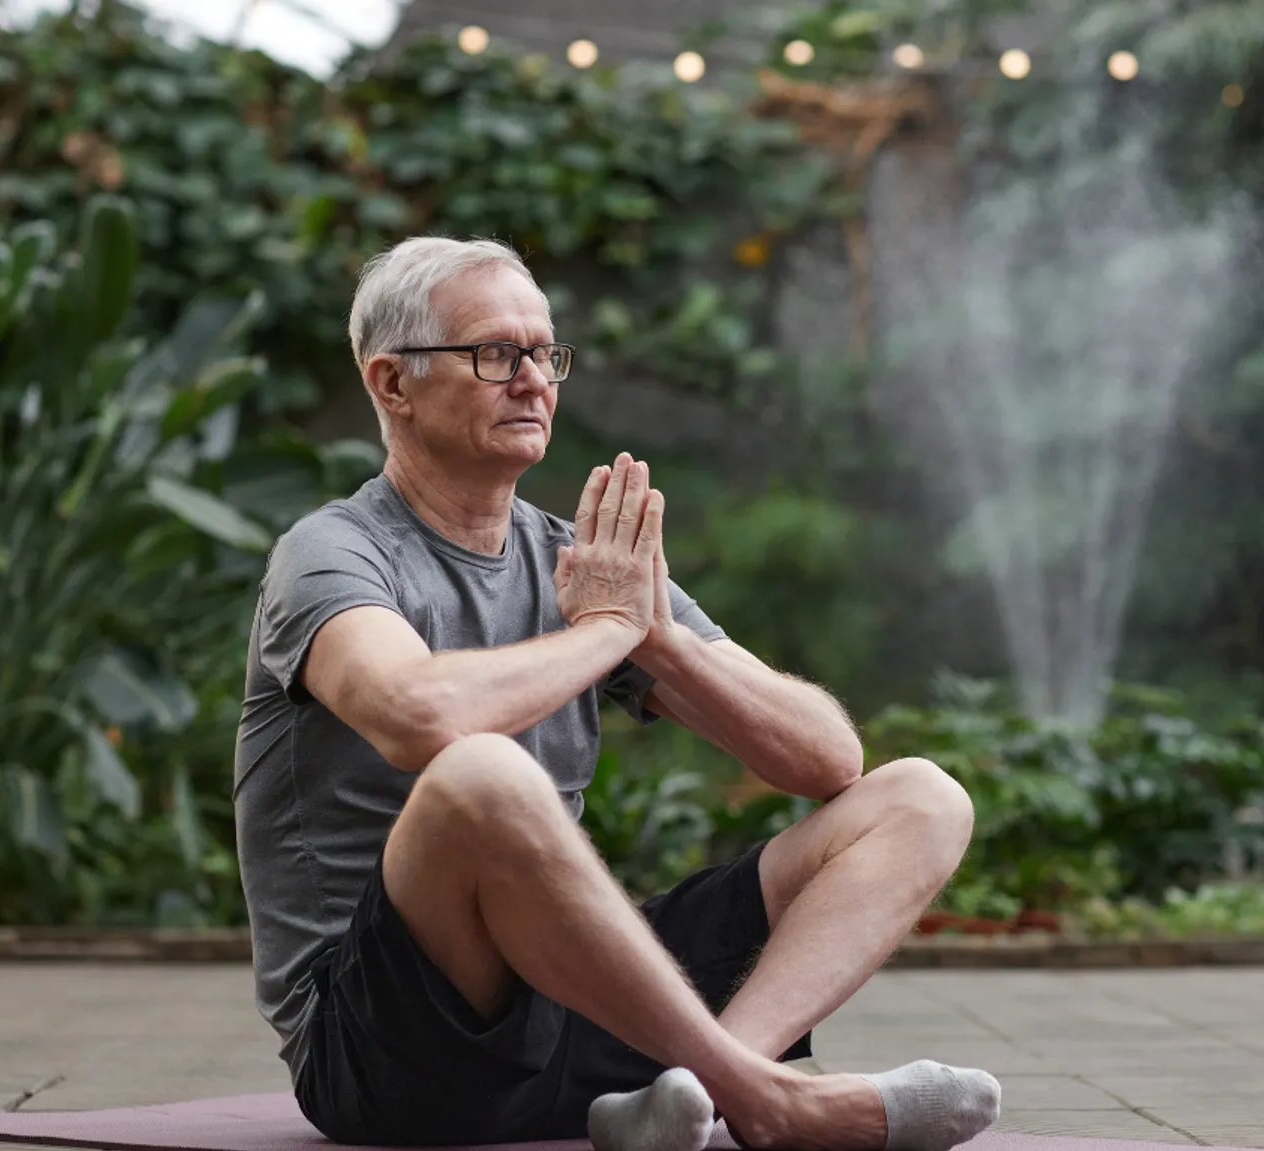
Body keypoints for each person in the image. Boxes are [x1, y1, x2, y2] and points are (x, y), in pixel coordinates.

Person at [233, 236, 1001, 1151]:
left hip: (572, 1017)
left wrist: (662, 637)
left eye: (544, 352)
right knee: (480, 773)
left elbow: (827, 757)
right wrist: (603, 632)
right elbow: (417, 715)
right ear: (393, 383)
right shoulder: (331, 553)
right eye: (494, 354)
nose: (532, 380)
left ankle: (704, 1088)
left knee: (919, 797)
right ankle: (768, 1101)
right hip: (388, 1054)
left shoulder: (586, 562)